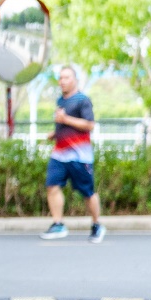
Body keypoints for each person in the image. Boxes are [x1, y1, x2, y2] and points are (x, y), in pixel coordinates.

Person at [41, 65, 104, 242]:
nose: (62, 81)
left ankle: (96, 224)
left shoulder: (83, 100)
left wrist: (65, 119)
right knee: (52, 186)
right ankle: (58, 223)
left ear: (75, 80)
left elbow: (89, 125)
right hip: (59, 154)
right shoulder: (61, 101)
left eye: (66, 77)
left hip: (79, 155)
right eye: (60, 78)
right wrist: (55, 133)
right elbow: (64, 125)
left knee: (87, 192)